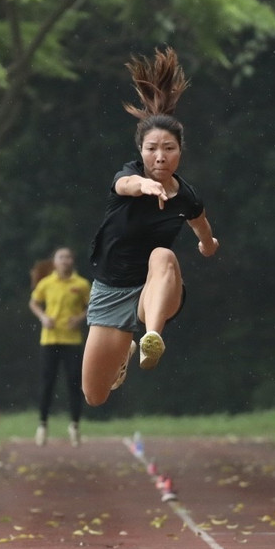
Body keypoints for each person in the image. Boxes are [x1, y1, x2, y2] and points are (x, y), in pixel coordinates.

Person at [81, 46, 219, 407]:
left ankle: (151, 339)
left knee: (162, 254)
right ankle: (129, 348)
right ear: (141, 151)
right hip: (111, 288)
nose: (160, 156)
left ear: (180, 151)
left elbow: (201, 225)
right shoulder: (128, 177)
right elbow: (126, 186)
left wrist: (208, 244)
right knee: (94, 396)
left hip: (154, 292)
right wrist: (146, 185)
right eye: (152, 149)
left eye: (169, 149)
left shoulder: (186, 196)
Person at [29, 247, 91, 447]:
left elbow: (91, 306)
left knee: (74, 383)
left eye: (68, 257)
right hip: (50, 339)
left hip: (72, 340)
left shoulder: (81, 284)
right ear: (54, 262)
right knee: (47, 383)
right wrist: (43, 317)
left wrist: (80, 318)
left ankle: (74, 425)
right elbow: (34, 302)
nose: (65, 260)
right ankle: (42, 425)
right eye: (61, 257)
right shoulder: (46, 283)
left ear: (73, 261)